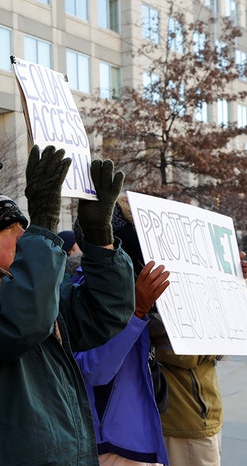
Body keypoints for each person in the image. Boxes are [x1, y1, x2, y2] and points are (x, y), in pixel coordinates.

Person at [0, 146, 136, 465]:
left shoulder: (27, 290)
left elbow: (105, 313)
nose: (25, 236)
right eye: (12, 229)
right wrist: (44, 224)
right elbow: (20, 321)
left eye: (25, 227)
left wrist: (99, 238)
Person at [72, 199, 172, 466]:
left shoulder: (140, 286)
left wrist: (228, 280)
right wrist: (137, 310)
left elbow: (187, 340)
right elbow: (92, 370)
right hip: (110, 446)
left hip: (141, 440)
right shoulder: (80, 290)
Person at [149, 253, 247, 466]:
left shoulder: (194, 290)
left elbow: (225, 341)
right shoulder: (162, 292)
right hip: (185, 418)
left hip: (204, 411)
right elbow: (187, 354)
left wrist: (229, 283)